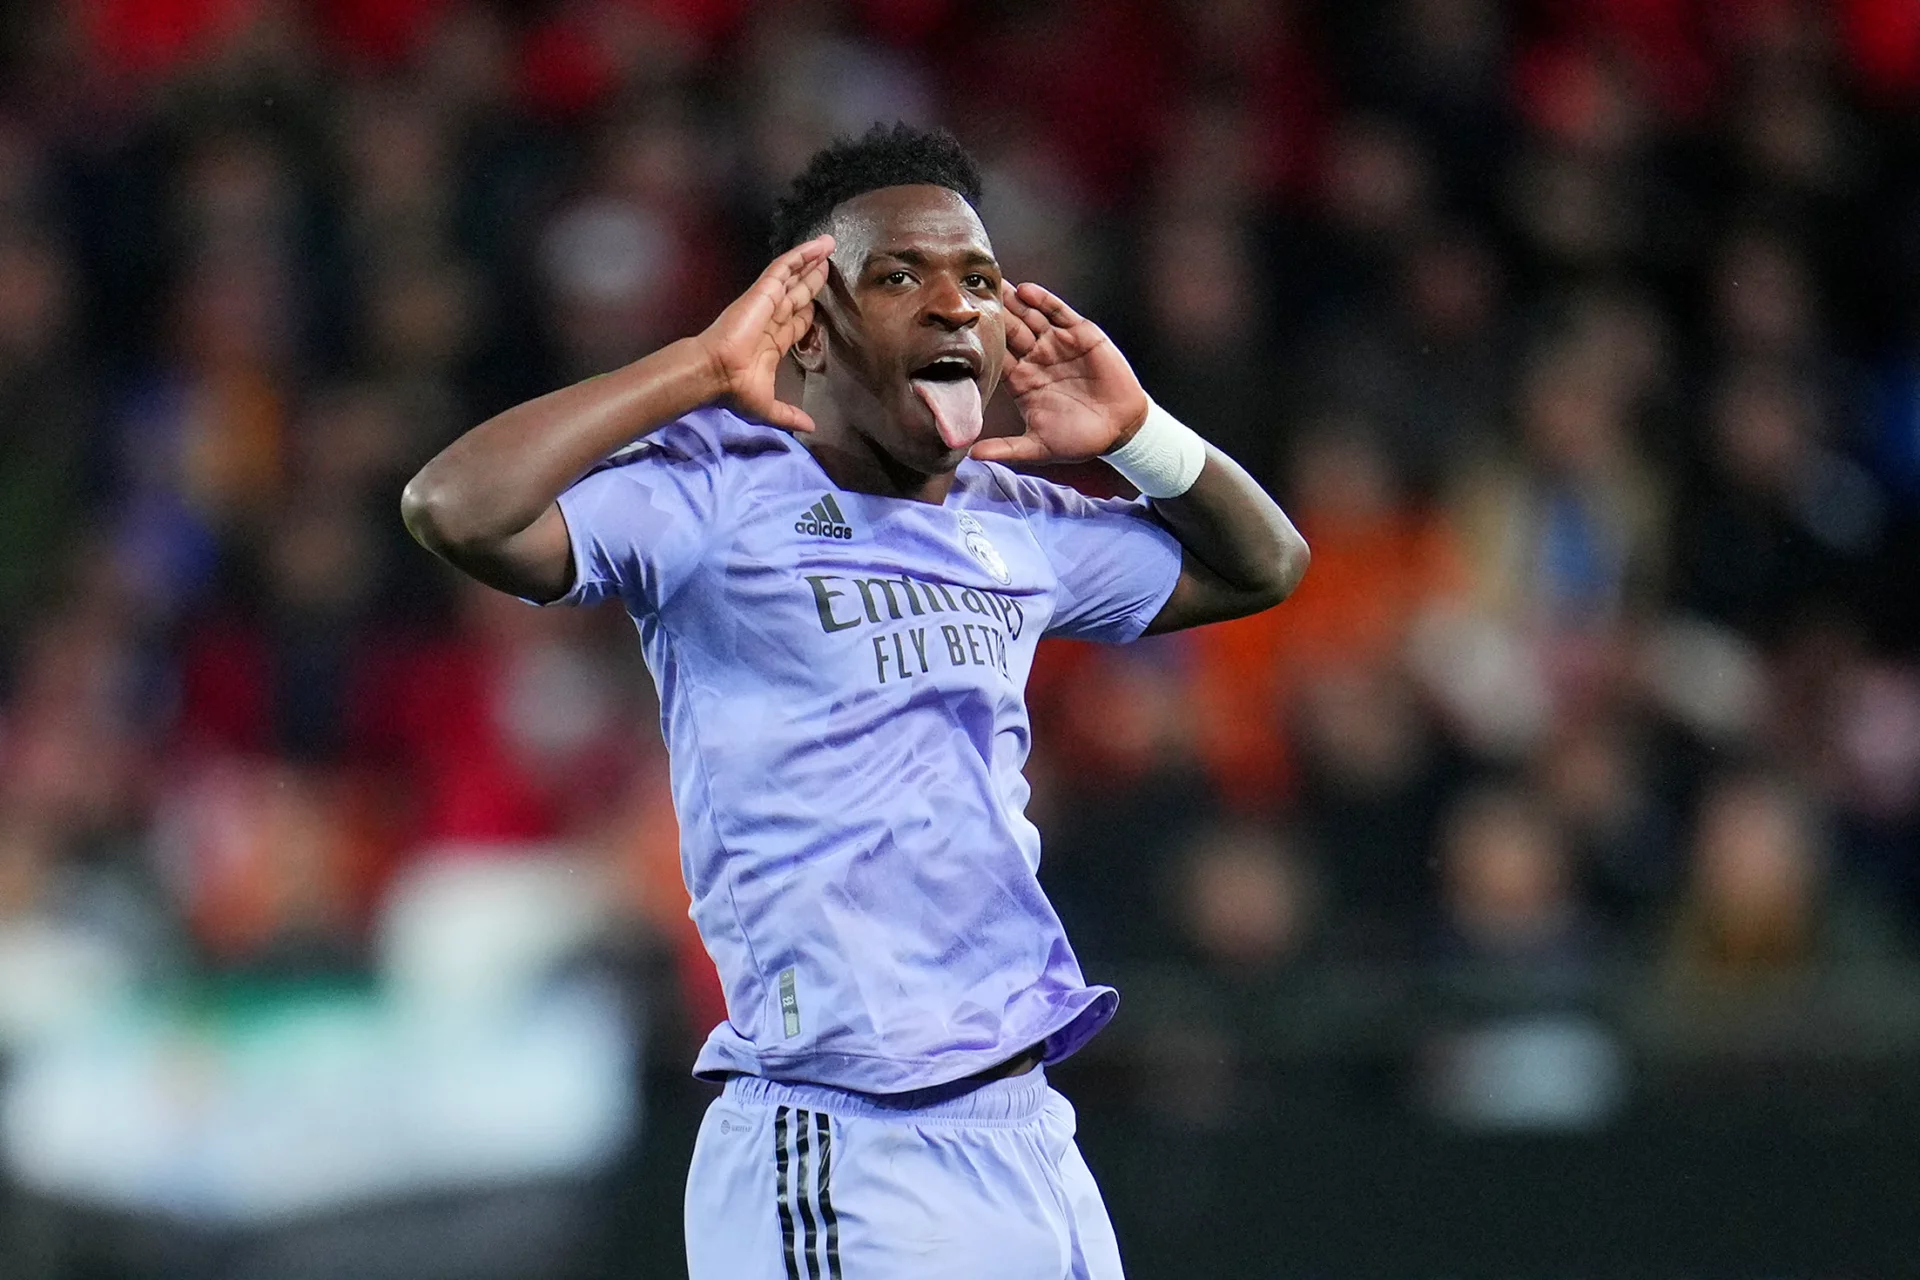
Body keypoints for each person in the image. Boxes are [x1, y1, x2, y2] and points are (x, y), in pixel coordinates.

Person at [401, 123, 1307, 1280]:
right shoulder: (712, 493)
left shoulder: (1011, 520)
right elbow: (455, 507)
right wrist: (696, 364)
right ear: (813, 328)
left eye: (979, 278)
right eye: (900, 275)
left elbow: (1264, 563)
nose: (953, 306)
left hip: (1026, 1129)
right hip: (837, 1138)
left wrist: (1138, 437)